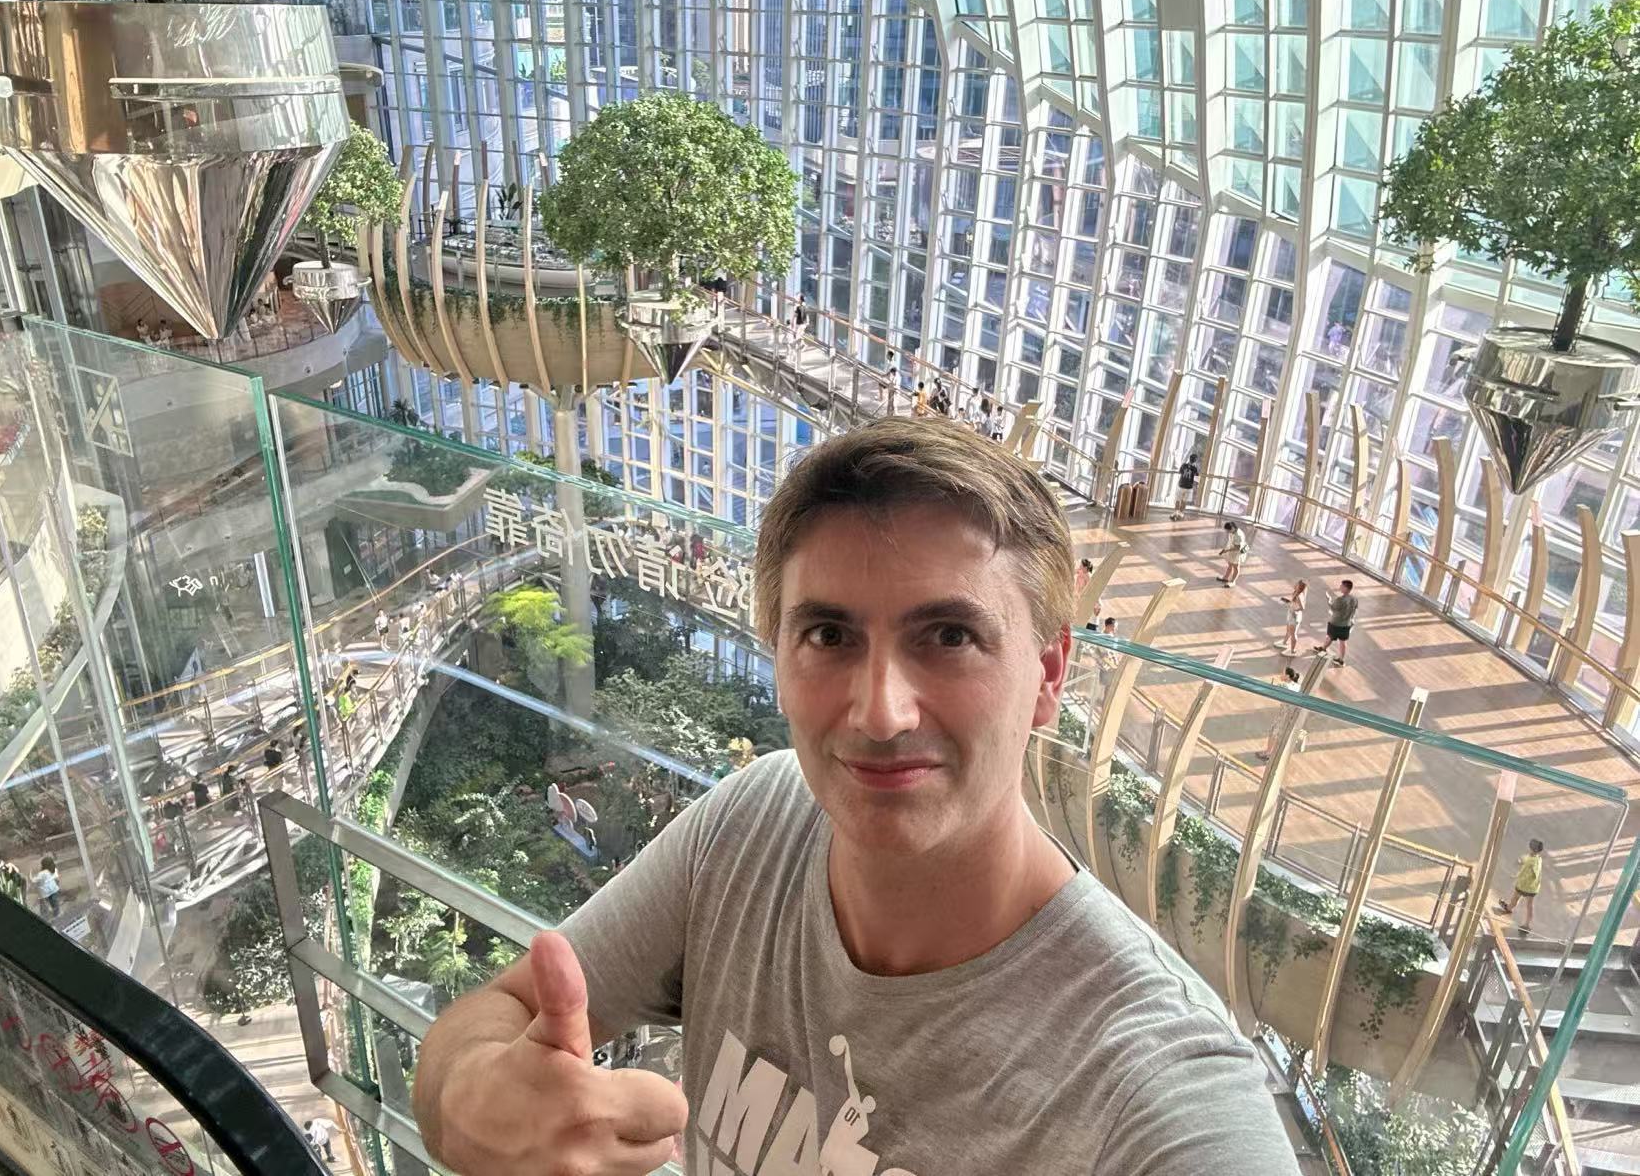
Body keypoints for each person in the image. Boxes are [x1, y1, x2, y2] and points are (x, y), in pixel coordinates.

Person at [410, 417, 1300, 1176]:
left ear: (1048, 675)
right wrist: (473, 1097)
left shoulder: (1156, 1092)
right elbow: (494, 1015)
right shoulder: (754, 826)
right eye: (830, 635)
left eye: (948, 635)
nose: (880, 712)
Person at [1495, 839, 1546, 933]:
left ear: (1531, 849)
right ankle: (1527, 925)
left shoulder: (1531, 861)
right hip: (1533, 888)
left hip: (1523, 885)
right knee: (1529, 905)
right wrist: (1522, 861)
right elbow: (1528, 860)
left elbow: (1527, 872)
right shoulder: (1538, 859)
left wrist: (1515, 876)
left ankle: (1509, 908)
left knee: (1515, 898)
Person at [1256, 668, 1303, 763]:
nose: (1281, 675)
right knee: (1283, 732)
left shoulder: (1284, 685)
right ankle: (1272, 753)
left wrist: (1271, 685)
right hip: (1294, 713)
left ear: (1287, 676)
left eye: (1283, 674)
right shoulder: (1298, 686)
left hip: (1285, 713)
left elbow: (1272, 690)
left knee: (1274, 731)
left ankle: (1268, 753)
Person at [1313, 579, 1359, 667]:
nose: (1340, 587)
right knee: (1342, 642)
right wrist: (1351, 619)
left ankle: (1323, 649)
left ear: (1346, 588)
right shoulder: (1354, 599)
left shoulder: (1340, 600)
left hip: (1335, 623)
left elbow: (1333, 608)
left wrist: (1329, 600)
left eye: (1341, 586)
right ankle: (1341, 660)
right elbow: (1355, 610)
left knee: (1330, 636)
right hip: (1346, 624)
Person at [1278, 580, 1307, 656]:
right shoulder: (1296, 593)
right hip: (1291, 614)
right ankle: (1284, 642)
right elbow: (1294, 603)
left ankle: (1292, 650)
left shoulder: (1299, 596)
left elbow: (1302, 607)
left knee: (1293, 633)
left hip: (1294, 616)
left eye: (1297, 584)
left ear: (1299, 587)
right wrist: (1287, 601)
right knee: (1288, 630)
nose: (1295, 584)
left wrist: (1294, 610)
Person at [1216, 521, 1249, 586]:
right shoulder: (1232, 532)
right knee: (1230, 565)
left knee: (1236, 567)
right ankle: (1225, 578)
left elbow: (1237, 548)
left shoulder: (1238, 535)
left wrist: (1227, 550)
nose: (1228, 532)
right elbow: (1230, 542)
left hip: (1237, 553)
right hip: (1231, 552)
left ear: (1233, 528)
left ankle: (1233, 581)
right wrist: (1226, 549)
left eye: (1228, 530)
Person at [1172, 452, 1199, 520]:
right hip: (1189, 487)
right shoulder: (1194, 468)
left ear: (1189, 459)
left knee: (1178, 500)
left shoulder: (1184, 465)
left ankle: (1176, 513)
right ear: (1195, 461)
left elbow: (1180, 472)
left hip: (1181, 485)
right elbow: (1197, 476)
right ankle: (1180, 514)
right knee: (1184, 501)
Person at [32, 855, 60, 920]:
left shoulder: (42, 873)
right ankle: (56, 914)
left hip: (45, 893)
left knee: (44, 904)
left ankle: (45, 916)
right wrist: (56, 886)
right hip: (54, 890)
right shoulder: (54, 870)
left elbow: (34, 880)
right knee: (55, 903)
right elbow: (57, 879)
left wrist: (31, 876)